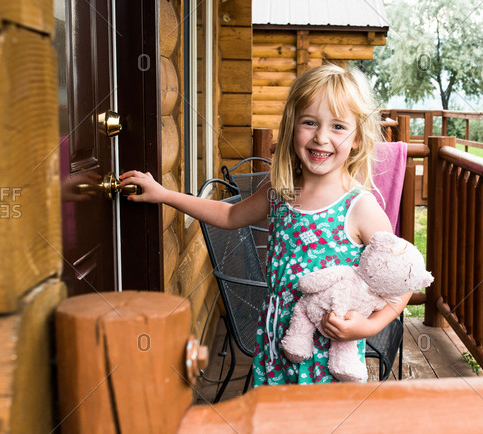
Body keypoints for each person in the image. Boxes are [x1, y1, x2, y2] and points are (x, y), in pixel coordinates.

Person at [119, 64, 420, 386]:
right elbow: (230, 216)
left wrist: (370, 327)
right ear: (292, 127)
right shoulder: (280, 191)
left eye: (337, 127)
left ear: (357, 138)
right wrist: (165, 194)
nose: (321, 137)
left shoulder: (360, 207)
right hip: (276, 339)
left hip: (327, 352)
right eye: (309, 123)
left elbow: (402, 279)